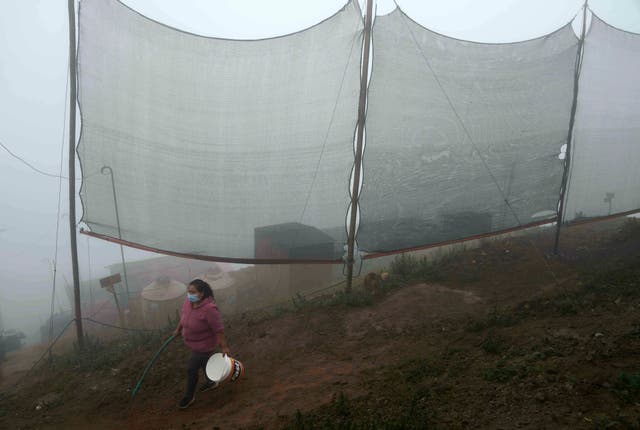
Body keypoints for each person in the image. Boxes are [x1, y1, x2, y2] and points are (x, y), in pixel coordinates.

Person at [173, 279, 230, 409]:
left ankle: (189, 396)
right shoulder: (189, 302)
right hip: (194, 343)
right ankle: (211, 381)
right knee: (205, 362)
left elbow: (218, 329)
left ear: (202, 293)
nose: (189, 294)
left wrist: (224, 347)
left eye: (192, 292)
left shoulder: (209, 309)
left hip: (205, 345)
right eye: (188, 291)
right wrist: (178, 330)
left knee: (192, 368)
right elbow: (184, 317)